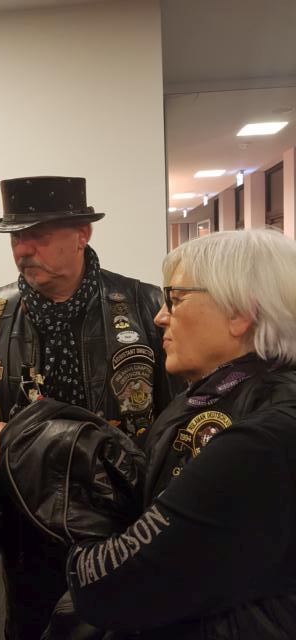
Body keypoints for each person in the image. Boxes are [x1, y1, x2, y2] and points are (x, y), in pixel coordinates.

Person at [0, 175, 181, 639]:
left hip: (121, 519)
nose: (23, 249)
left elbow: (176, 414)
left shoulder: (145, 304)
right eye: (16, 237)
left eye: (38, 235)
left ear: (82, 234)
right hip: (24, 520)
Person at [55, 228, 296, 639]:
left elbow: (110, 588)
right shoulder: (223, 395)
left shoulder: (261, 438)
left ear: (240, 313)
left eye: (176, 298)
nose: (160, 316)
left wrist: (84, 527)